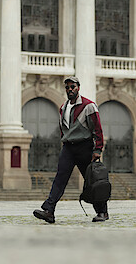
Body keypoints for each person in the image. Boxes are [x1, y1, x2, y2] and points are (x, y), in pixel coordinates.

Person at [33, 76, 107, 223]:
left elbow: (97, 129)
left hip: (84, 147)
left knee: (91, 181)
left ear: (78, 87)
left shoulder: (89, 106)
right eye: (67, 87)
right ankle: (49, 211)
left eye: (72, 87)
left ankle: (102, 212)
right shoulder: (63, 107)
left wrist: (97, 149)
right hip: (68, 148)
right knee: (60, 179)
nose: (70, 90)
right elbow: (63, 129)